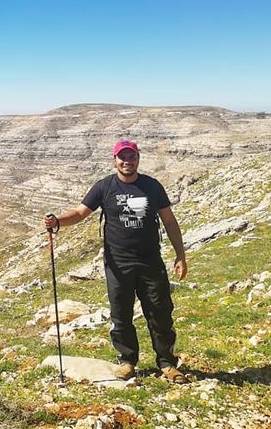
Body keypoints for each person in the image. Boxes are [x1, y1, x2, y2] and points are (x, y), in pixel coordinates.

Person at [43, 139, 189, 383]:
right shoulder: (104, 187)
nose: (127, 161)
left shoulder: (151, 186)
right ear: (115, 160)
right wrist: (58, 221)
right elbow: (79, 213)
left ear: (138, 159)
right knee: (120, 314)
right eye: (122, 157)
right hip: (118, 264)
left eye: (131, 157)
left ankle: (167, 363)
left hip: (150, 261)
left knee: (160, 312)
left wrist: (180, 255)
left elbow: (170, 221)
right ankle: (127, 361)